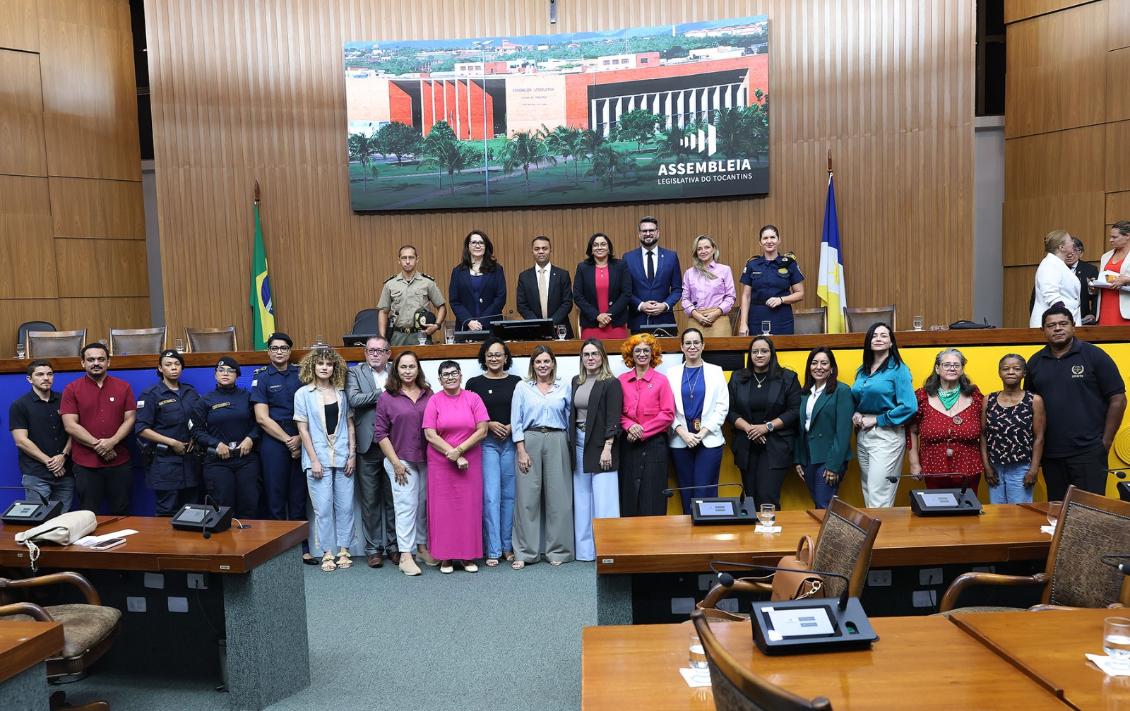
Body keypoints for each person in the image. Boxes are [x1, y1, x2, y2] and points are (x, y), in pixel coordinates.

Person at [1025, 305, 1126, 498]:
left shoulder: (1094, 356)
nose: (1057, 328)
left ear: (1073, 327)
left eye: (1063, 323)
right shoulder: (1035, 362)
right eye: (1051, 325)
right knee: (1057, 512)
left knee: (1088, 514)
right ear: (1043, 331)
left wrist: (1105, 442)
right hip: (1051, 454)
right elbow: (1029, 406)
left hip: (1088, 452)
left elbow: (1118, 399)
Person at [510, 345, 573, 569]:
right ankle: (526, 552)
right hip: (530, 440)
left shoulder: (564, 386)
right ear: (533, 365)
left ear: (553, 363)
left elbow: (569, 418)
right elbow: (516, 421)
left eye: (547, 361)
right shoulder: (522, 387)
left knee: (559, 498)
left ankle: (558, 550)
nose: (543, 365)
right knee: (527, 499)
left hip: (557, 439)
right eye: (538, 362)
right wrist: (521, 450)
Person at [423, 360, 489, 574]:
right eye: (445, 374)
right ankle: (445, 557)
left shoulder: (473, 398)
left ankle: (468, 556)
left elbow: (482, 430)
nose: (450, 377)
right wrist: (452, 454)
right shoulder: (434, 401)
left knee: (468, 509)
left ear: (460, 375)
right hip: (440, 463)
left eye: (453, 373)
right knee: (442, 511)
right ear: (439, 379)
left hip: (469, 461)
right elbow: (429, 434)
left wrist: (459, 451)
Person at [251, 332, 312, 562]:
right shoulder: (262, 378)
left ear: (289, 351)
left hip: (301, 435)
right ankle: (279, 552)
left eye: (284, 348)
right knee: (275, 498)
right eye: (275, 348)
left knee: (298, 498)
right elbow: (261, 418)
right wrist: (289, 440)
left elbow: (310, 409)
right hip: (274, 440)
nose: (279, 351)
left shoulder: (301, 375)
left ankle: (301, 548)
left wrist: (299, 438)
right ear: (268, 351)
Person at [294, 347, 356, 572]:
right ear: (313, 366)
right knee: (323, 509)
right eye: (320, 364)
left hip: (343, 457)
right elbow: (303, 430)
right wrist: (314, 460)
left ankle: (344, 549)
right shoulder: (302, 394)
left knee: (346, 507)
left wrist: (352, 455)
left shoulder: (342, 392)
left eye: (329, 364)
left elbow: (350, 426)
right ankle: (327, 552)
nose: (324, 367)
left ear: (334, 368)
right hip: (317, 459)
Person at [374, 351, 434, 576]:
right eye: (403, 367)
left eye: (412, 366)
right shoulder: (387, 397)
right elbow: (380, 433)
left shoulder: (429, 394)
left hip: (427, 459)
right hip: (400, 461)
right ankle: (405, 556)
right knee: (406, 508)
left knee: (423, 507)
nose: (408, 371)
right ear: (396, 370)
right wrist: (396, 463)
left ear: (418, 369)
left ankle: (421, 548)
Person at [60, 343, 136, 515]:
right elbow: (70, 425)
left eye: (101, 359)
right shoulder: (72, 389)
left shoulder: (123, 387)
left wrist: (112, 442)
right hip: (85, 464)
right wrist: (100, 446)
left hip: (119, 462)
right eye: (91, 359)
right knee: (87, 514)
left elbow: (130, 419)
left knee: (122, 513)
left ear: (108, 362)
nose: (96, 363)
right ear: (83, 363)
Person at [726, 336, 801, 510]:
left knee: (768, 497)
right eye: (755, 351)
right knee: (750, 498)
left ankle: (770, 535)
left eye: (764, 351)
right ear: (750, 355)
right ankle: (753, 537)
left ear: (772, 354)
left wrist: (766, 427)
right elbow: (728, 411)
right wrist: (751, 429)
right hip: (746, 445)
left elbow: (795, 411)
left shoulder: (787, 378)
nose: (759, 355)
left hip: (776, 445)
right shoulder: (738, 378)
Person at [465, 338, 521, 566]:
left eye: (498, 354)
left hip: (510, 443)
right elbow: (467, 415)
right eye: (490, 354)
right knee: (490, 497)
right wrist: (487, 424)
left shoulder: (517, 382)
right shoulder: (474, 383)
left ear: (506, 357)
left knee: (509, 496)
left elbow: (522, 411)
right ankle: (493, 549)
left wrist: (510, 426)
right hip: (486, 444)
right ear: (484, 357)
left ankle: (507, 547)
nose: (494, 358)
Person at [851, 323, 917, 508]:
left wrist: (877, 419)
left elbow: (910, 407)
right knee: (869, 490)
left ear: (891, 343)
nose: (878, 339)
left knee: (879, 494)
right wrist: (856, 413)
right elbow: (858, 398)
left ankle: (881, 536)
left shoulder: (899, 369)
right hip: (863, 435)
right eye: (874, 335)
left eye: (883, 336)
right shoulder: (862, 370)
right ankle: (874, 535)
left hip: (887, 435)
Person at [345, 336, 397, 568]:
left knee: (394, 499)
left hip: (394, 445)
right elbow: (354, 399)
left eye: (380, 350)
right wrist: (383, 393)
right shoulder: (355, 373)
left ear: (388, 353)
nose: (375, 354)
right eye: (370, 350)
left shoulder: (397, 371)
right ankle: (373, 548)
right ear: (365, 353)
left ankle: (395, 546)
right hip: (367, 446)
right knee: (370, 501)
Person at [569, 339, 623, 561]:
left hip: (602, 444)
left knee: (604, 499)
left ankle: (607, 551)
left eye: (594, 354)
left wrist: (608, 447)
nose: (590, 358)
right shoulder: (576, 381)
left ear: (602, 357)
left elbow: (614, 417)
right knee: (582, 499)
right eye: (586, 354)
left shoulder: (611, 382)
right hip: (579, 442)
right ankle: (585, 552)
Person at [666, 328, 729, 514]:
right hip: (680, 440)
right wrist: (683, 433)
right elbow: (667, 408)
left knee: (705, 491)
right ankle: (688, 539)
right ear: (682, 347)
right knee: (687, 492)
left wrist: (702, 433)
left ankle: (707, 537)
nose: (692, 346)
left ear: (703, 346)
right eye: (688, 343)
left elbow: (722, 406)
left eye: (696, 343)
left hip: (709, 440)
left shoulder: (716, 371)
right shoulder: (671, 373)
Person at [906, 349, 985, 491]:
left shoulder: (975, 396)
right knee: (937, 510)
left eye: (956, 365)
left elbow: (985, 432)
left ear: (962, 370)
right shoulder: (922, 396)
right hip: (933, 468)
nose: (951, 368)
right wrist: (914, 463)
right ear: (937, 368)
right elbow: (911, 431)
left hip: (968, 469)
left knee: (968, 510)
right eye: (946, 364)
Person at [135, 350, 202, 515]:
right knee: (167, 512)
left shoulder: (190, 392)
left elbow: (198, 419)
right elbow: (141, 429)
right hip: (165, 462)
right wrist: (172, 442)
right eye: (168, 364)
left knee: (193, 511)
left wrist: (195, 436)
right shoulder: (151, 394)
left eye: (177, 364)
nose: (174, 368)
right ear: (160, 368)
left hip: (191, 461)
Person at [192, 357, 260, 519]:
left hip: (246, 460)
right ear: (215, 375)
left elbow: (260, 423)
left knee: (250, 505)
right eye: (221, 370)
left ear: (237, 376)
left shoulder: (248, 397)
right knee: (222, 508)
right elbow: (196, 430)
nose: (225, 374)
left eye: (230, 371)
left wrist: (250, 438)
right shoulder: (205, 400)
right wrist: (215, 444)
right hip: (218, 462)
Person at [618, 333, 675, 516]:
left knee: (653, 496)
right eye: (637, 350)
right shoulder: (621, 381)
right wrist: (629, 426)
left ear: (653, 354)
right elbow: (616, 412)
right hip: (628, 445)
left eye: (646, 350)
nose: (642, 354)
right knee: (628, 495)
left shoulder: (662, 381)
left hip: (654, 446)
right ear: (630, 354)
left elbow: (667, 414)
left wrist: (641, 431)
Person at [794, 348, 854, 509]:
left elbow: (843, 432)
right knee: (819, 503)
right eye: (814, 363)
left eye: (824, 363)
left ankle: (833, 535)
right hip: (808, 457)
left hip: (829, 457)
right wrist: (799, 459)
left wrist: (833, 466)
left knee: (824, 504)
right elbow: (800, 429)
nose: (818, 367)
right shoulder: (805, 393)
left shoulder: (842, 391)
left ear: (832, 368)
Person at [9, 360, 73, 511]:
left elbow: (73, 430)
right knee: (38, 522)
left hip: (65, 473)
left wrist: (63, 455)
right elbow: (21, 441)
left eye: (49, 374)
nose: (46, 378)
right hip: (36, 475)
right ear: (30, 379)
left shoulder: (65, 400)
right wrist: (50, 463)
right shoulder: (19, 405)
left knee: (63, 523)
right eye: (40, 374)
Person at [981, 354, 1045, 504]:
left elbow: (1039, 437)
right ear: (999, 373)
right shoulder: (988, 400)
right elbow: (983, 435)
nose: (1011, 372)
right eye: (1006, 369)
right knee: (997, 514)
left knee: (1019, 514)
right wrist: (987, 467)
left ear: (1024, 373)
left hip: (1021, 467)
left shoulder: (1034, 400)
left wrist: (1034, 469)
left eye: (1016, 369)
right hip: (995, 467)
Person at [738, 224, 805, 336]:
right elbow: (746, 296)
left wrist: (781, 299)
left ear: (779, 240)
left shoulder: (789, 263)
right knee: (757, 350)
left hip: (782, 318)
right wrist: (743, 323)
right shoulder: (752, 264)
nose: (769, 241)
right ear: (760, 242)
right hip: (756, 318)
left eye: (772, 237)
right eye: (765, 238)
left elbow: (800, 293)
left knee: (784, 352)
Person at [377, 244, 447, 345]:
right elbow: (383, 312)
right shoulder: (390, 284)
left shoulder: (427, 283)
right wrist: (382, 338)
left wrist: (436, 325)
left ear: (417, 259)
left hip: (421, 335)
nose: (408, 261)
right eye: (404, 258)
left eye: (411, 257)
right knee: (398, 361)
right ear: (399, 260)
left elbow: (441, 307)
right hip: (398, 336)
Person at [623, 216, 681, 333]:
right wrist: (640, 305)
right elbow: (625, 290)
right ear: (639, 234)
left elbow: (677, 289)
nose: (648, 233)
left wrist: (665, 305)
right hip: (638, 321)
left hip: (665, 320)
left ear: (657, 233)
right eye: (644, 231)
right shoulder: (628, 258)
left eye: (651, 230)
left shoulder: (671, 257)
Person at [574, 232, 633, 340]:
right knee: (591, 355)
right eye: (595, 245)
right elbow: (578, 296)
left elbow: (626, 293)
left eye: (603, 244)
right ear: (591, 249)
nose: (599, 247)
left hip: (616, 324)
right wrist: (597, 316)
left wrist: (608, 315)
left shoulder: (621, 265)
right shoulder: (582, 268)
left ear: (609, 248)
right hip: (591, 324)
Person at [515, 235, 574, 338]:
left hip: (560, 330)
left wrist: (550, 324)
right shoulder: (524, 277)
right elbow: (522, 305)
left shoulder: (562, 274)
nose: (541, 251)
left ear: (550, 250)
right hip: (533, 330)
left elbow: (567, 303)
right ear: (532, 251)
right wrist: (538, 324)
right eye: (537, 249)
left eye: (544, 248)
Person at [448, 230, 506, 332]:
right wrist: (469, 321)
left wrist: (482, 322)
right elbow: (455, 301)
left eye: (481, 242)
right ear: (468, 246)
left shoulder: (496, 269)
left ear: (486, 246)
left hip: (492, 327)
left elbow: (500, 298)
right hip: (466, 328)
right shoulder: (458, 271)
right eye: (474, 242)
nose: (477, 245)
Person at [681, 235, 736, 338]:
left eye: (707, 247)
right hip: (696, 320)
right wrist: (696, 315)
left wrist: (715, 313)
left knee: (720, 354)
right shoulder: (689, 273)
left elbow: (730, 297)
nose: (703, 251)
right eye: (699, 249)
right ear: (696, 252)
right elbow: (684, 299)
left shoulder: (725, 270)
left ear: (714, 249)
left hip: (719, 319)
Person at [1030, 229, 1081, 327]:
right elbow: (1051, 295)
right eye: (1070, 240)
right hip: (1053, 326)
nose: (1073, 243)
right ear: (1061, 247)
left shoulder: (1058, 264)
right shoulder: (1049, 265)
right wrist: (1065, 319)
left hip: (1061, 324)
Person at [1096, 220, 1130, 326]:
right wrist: (1095, 286)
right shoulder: (1105, 256)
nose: (1111, 240)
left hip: (1126, 309)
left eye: (1115, 237)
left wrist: (1127, 279)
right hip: (1105, 306)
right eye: (1110, 237)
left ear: (1127, 236)